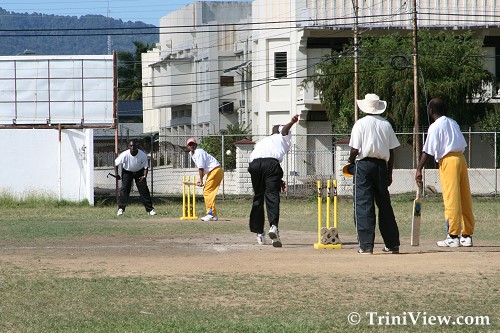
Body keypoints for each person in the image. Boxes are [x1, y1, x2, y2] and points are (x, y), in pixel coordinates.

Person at [415, 98, 475, 247]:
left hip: (448, 161)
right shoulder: (453, 122)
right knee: (464, 197)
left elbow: (427, 151)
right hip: (461, 159)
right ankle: (466, 235)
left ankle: (453, 236)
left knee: (451, 198)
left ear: (431, 111)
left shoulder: (435, 127)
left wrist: (418, 169)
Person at [348, 94, 400, 254]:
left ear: (364, 107)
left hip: (364, 165)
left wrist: (350, 162)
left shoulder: (360, 124)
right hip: (381, 166)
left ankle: (366, 245)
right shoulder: (386, 125)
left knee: (363, 204)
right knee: (384, 204)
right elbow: (392, 151)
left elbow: (355, 149)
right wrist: (389, 173)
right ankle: (392, 244)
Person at [248, 114, 299, 247]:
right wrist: (292, 122)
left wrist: (278, 179)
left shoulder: (265, 140)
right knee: (272, 196)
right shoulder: (282, 137)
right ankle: (274, 227)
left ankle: (259, 233)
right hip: (270, 165)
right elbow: (284, 130)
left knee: (258, 198)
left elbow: (264, 160)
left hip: (254, 165)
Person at [186, 137, 224, 221]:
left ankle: (210, 214)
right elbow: (202, 168)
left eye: (193, 144)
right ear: (188, 146)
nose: (191, 146)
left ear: (196, 144)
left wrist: (201, 179)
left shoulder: (199, 152)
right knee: (209, 192)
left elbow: (201, 168)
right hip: (215, 171)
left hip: (215, 171)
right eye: (190, 145)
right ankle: (213, 215)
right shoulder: (192, 154)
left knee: (207, 192)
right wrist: (200, 179)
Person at [114, 140, 156, 216]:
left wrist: (144, 176)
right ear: (128, 146)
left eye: (134, 146)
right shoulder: (124, 155)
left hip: (139, 172)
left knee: (144, 190)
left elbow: (146, 167)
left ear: (137, 147)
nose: (133, 147)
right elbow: (116, 164)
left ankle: (150, 209)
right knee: (124, 189)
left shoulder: (142, 155)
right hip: (127, 172)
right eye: (131, 146)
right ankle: (121, 209)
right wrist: (116, 175)